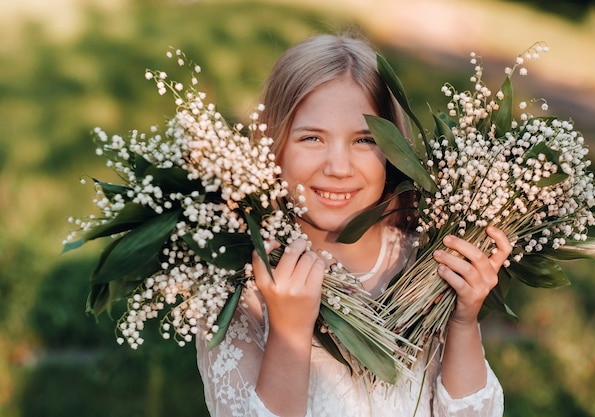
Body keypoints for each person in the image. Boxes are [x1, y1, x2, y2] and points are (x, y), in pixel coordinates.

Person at [196, 34, 512, 417]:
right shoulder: (242, 291)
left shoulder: (427, 262)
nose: (338, 167)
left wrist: (462, 321)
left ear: (393, 153)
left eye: (364, 140)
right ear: (273, 147)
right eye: (312, 137)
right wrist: (290, 333)